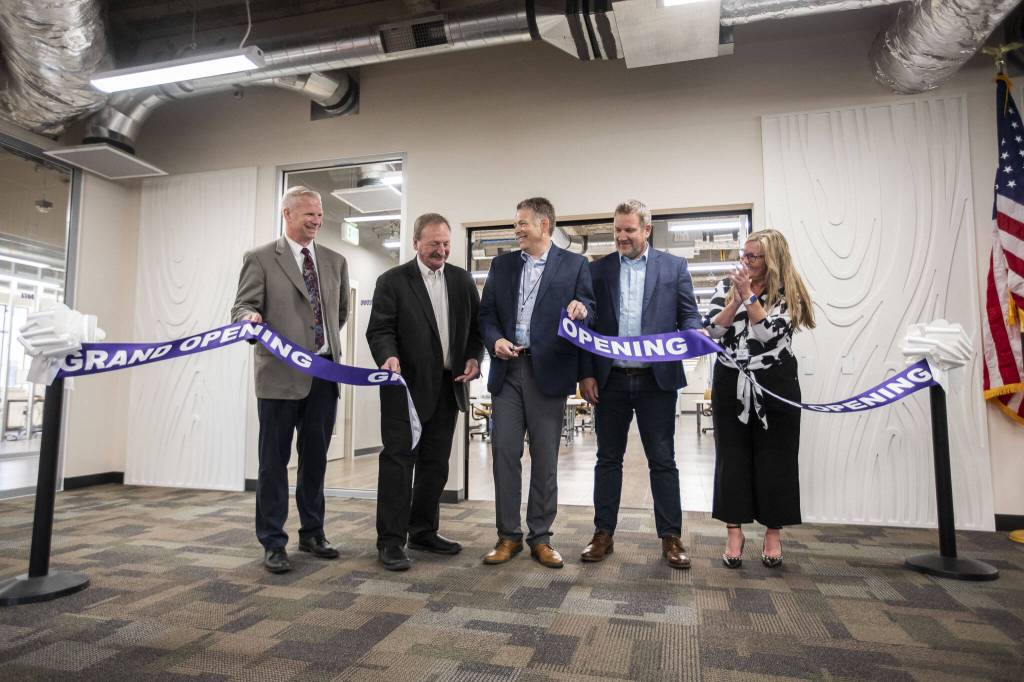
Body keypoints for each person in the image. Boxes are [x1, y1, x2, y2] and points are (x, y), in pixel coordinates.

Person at [578, 200, 702, 569]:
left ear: (646, 230)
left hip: (656, 380)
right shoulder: (596, 270)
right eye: (617, 230)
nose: (622, 236)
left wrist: (694, 332)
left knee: (663, 460)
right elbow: (588, 325)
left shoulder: (674, 267)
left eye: (629, 230)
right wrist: (585, 373)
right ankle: (603, 534)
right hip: (610, 379)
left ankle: (671, 537)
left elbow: (689, 313)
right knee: (607, 459)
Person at [231, 186, 349, 574]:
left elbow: (339, 314)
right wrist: (248, 318)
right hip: (279, 378)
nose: (316, 221)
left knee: (315, 461)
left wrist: (318, 344)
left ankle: (312, 533)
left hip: (323, 376)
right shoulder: (261, 258)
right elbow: (243, 306)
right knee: (273, 463)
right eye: (308, 215)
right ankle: (273, 541)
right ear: (287, 215)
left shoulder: (334, 261)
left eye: (319, 215)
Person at [478, 197, 595, 568]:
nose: (517, 229)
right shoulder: (502, 265)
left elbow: (588, 309)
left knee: (545, 459)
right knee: (505, 456)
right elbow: (487, 314)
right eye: (515, 223)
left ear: (545, 226)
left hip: (549, 372)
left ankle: (541, 537)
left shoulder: (574, 265)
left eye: (522, 223)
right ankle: (508, 536)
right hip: (508, 370)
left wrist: (581, 310)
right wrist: (494, 339)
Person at [366, 213, 483, 571]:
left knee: (435, 466)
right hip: (406, 390)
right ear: (416, 242)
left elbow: (476, 331)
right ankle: (390, 540)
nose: (442, 250)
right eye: (434, 244)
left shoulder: (462, 281)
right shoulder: (393, 281)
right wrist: (388, 357)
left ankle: (423, 530)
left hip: (449, 390)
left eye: (446, 244)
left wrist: (474, 358)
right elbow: (380, 329)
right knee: (399, 464)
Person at [703, 228, 815, 568]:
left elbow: (767, 335)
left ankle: (772, 535)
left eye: (753, 257)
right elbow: (711, 332)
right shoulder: (726, 287)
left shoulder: (788, 292)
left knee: (775, 459)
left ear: (772, 260)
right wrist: (734, 301)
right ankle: (734, 533)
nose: (745, 262)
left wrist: (749, 298)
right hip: (731, 380)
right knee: (732, 458)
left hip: (775, 382)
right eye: (743, 255)